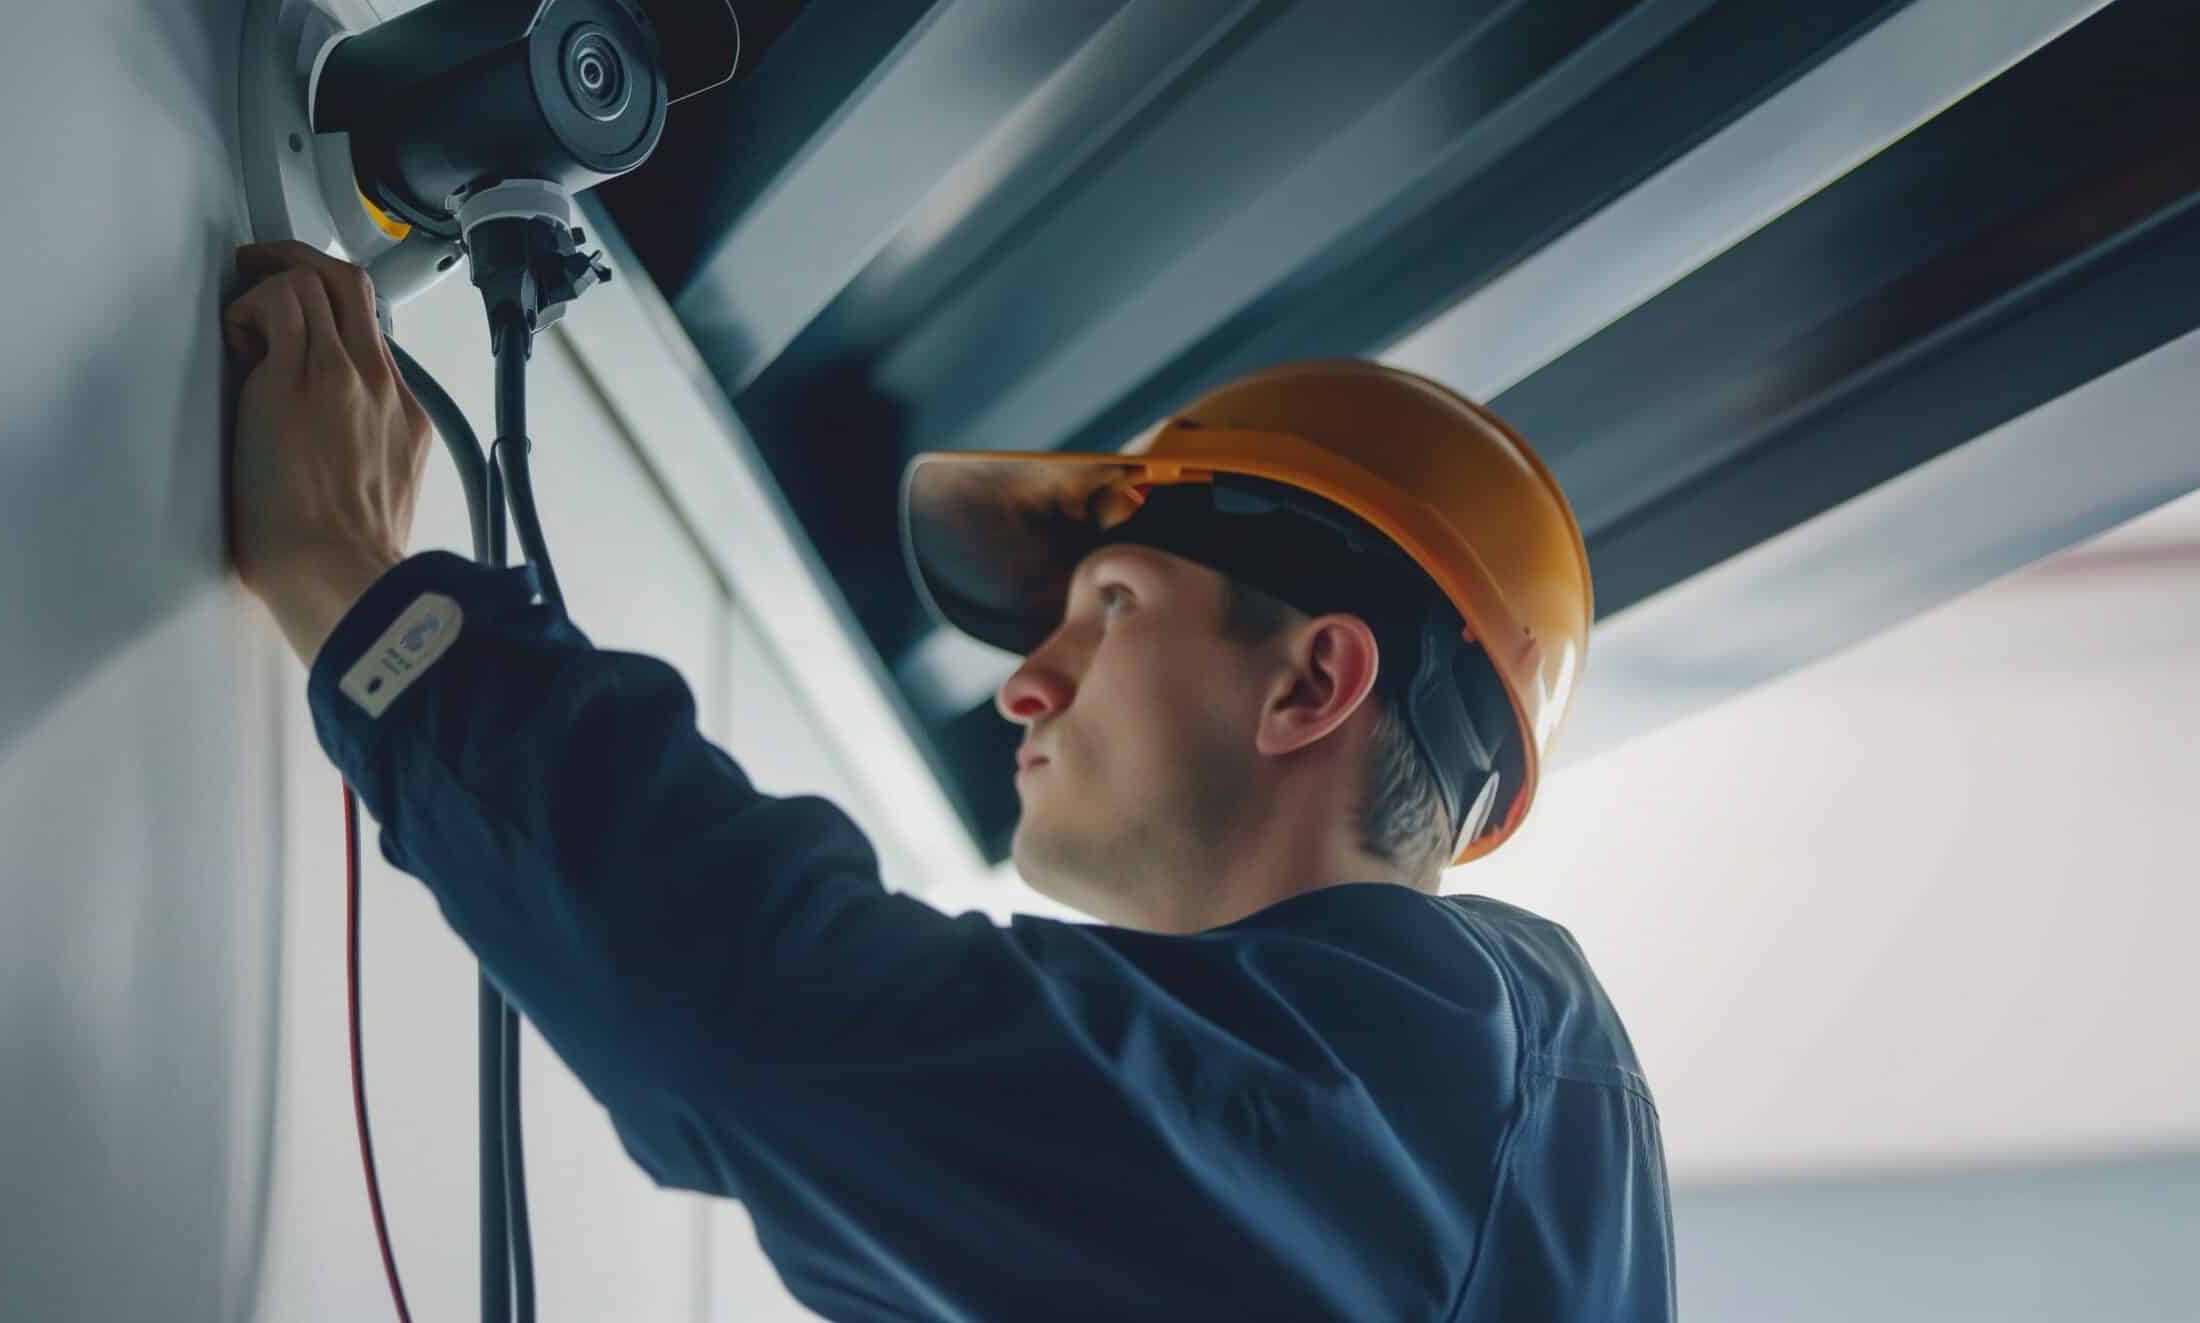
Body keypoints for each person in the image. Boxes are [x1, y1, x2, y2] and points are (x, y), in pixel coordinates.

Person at [223, 238, 1676, 1320]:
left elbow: (786, 1023)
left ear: (1312, 683)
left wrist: (370, 598)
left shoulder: (1475, 1078)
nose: (1025, 683)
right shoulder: (1366, 1163)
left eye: (1109, 602)